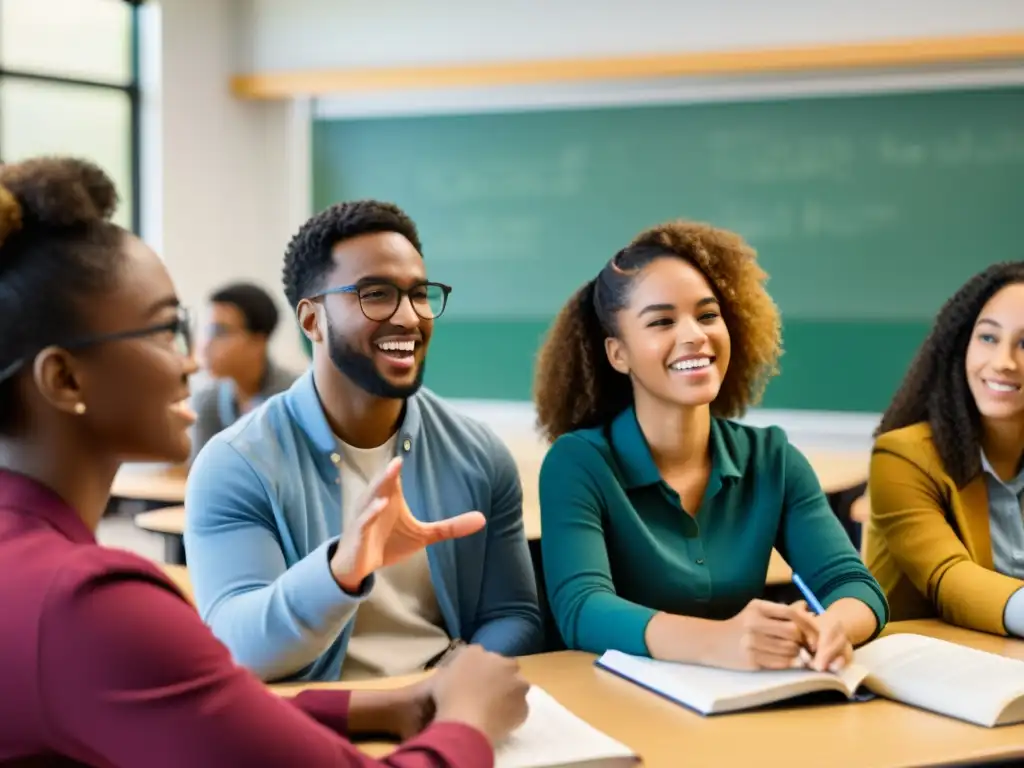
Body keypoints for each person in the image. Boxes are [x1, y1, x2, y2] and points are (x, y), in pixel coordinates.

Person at [0, 156, 531, 767]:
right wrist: (468, 721)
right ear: (64, 378)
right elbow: (210, 676)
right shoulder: (90, 604)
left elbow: (185, 704)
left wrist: (380, 706)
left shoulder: (47, 582)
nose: (194, 361)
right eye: (164, 331)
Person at [185, 199, 544, 683]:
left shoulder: (478, 453)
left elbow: (513, 616)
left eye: (419, 294)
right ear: (312, 320)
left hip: (444, 700)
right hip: (321, 718)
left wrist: (454, 686)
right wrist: (341, 571)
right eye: (376, 294)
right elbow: (239, 647)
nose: (410, 317)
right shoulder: (235, 464)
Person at [533, 220, 888, 673]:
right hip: (624, 706)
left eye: (707, 315)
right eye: (662, 321)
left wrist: (831, 628)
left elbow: (854, 586)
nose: (695, 336)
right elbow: (582, 609)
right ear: (617, 354)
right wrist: (718, 641)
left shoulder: (773, 459)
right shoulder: (578, 463)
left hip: (746, 699)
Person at [866, 261, 1024, 636]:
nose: (1003, 363)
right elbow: (950, 580)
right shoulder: (902, 457)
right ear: (961, 346)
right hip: (925, 672)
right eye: (988, 338)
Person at [189, 281, 298, 462]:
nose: (206, 344)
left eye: (219, 331)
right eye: (207, 331)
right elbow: (199, 475)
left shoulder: (293, 399)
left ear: (258, 342)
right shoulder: (207, 403)